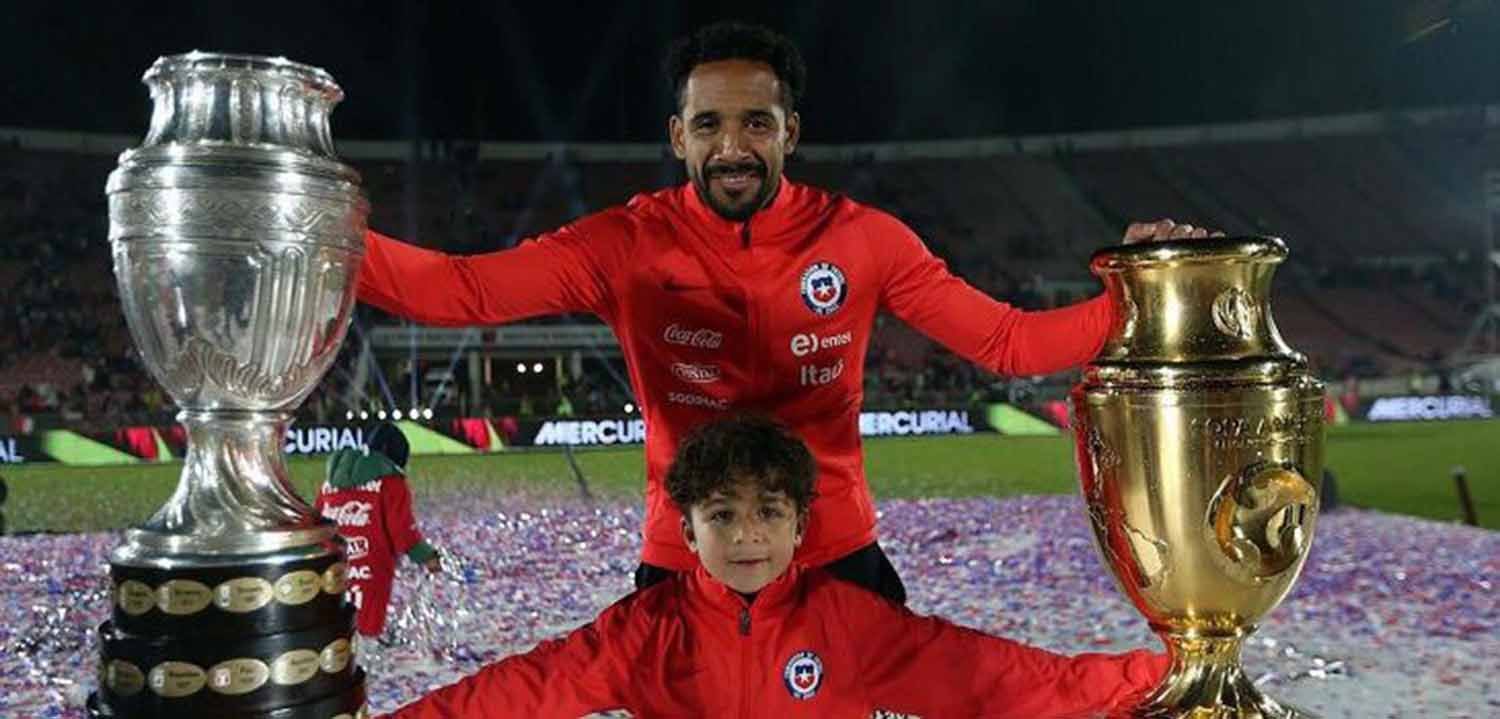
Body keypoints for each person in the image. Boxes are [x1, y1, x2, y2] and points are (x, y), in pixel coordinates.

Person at [356, 22, 1220, 603]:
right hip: (683, 563)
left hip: (838, 561)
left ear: (790, 132)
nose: (733, 147)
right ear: (677, 136)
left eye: (756, 123)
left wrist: (1144, 291)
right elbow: (456, 292)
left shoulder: (864, 239)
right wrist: (318, 234)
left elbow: (1006, 340)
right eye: (710, 124)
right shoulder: (623, 242)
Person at [381, 415, 1167, 718]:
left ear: (800, 526)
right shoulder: (645, 629)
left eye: (769, 512)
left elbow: (995, 676)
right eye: (722, 514)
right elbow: (523, 687)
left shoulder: (849, 620)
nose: (747, 535)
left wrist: (1155, 673)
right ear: (685, 532)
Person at [315, 422, 442, 638]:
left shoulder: (330, 482)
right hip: (371, 564)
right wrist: (426, 556)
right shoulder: (392, 482)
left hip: (332, 560)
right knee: (366, 629)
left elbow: (317, 520)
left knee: (334, 621)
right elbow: (402, 531)